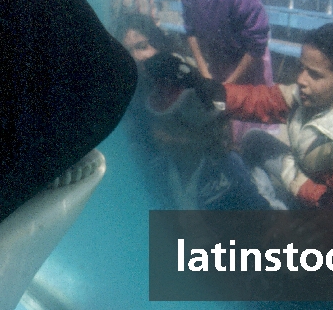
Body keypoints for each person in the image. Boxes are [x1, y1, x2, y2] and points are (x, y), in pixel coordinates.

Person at [147, 23, 333, 209]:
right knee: (253, 139)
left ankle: (274, 213)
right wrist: (205, 87)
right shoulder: (315, 94)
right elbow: (261, 101)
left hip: (322, 199)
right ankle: (268, 201)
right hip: (303, 173)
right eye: (301, 68)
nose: (301, 79)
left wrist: (300, 186)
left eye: (314, 74)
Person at [113, 13, 269, 210]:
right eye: (126, 52)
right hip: (170, 171)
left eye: (142, 46)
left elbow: (214, 124)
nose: (136, 57)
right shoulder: (126, 94)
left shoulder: (179, 76)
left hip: (205, 164)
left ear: (158, 44)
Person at [181, 0, 272, 86]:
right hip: (217, 66)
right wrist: (205, 74)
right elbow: (190, 31)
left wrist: (228, 85)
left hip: (248, 69)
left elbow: (256, 43)